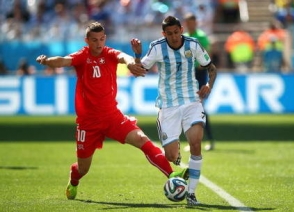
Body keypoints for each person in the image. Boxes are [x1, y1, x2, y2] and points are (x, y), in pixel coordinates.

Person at [36, 22, 188, 200]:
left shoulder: (109, 53)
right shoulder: (81, 57)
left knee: (141, 139)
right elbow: (63, 60)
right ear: (87, 41)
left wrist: (132, 62)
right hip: (88, 123)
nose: (98, 44)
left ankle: (171, 174)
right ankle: (74, 179)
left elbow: (124, 57)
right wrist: (47, 61)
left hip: (112, 116)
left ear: (105, 39)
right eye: (94, 40)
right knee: (83, 168)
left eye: (101, 39)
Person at [131, 16, 217, 205]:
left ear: (181, 29)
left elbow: (211, 68)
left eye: (176, 32)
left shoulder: (193, 45)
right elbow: (139, 71)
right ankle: (176, 154)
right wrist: (137, 55)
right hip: (168, 105)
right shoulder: (157, 47)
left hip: (191, 101)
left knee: (195, 143)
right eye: (169, 34)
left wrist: (209, 85)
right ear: (164, 34)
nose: (174, 37)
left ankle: (192, 194)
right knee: (170, 156)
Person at [183, 13, 215, 151]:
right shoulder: (183, 37)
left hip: (199, 74)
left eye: (192, 22)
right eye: (188, 22)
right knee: (188, 108)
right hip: (187, 75)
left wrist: (201, 65)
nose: (190, 25)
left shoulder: (201, 36)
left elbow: (208, 55)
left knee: (199, 107)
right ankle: (193, 141)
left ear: (195, 23)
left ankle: (209, 140)